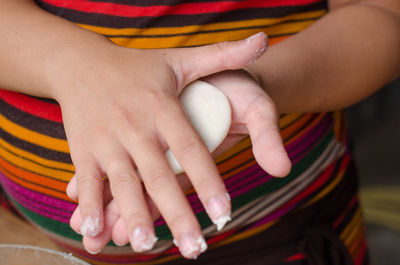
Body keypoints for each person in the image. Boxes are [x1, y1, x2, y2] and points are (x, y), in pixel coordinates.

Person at [0, 0, 399, 264]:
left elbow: (383, 15)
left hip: (281, 240)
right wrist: (76, 64)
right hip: (28, 240)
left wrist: (251, 82)